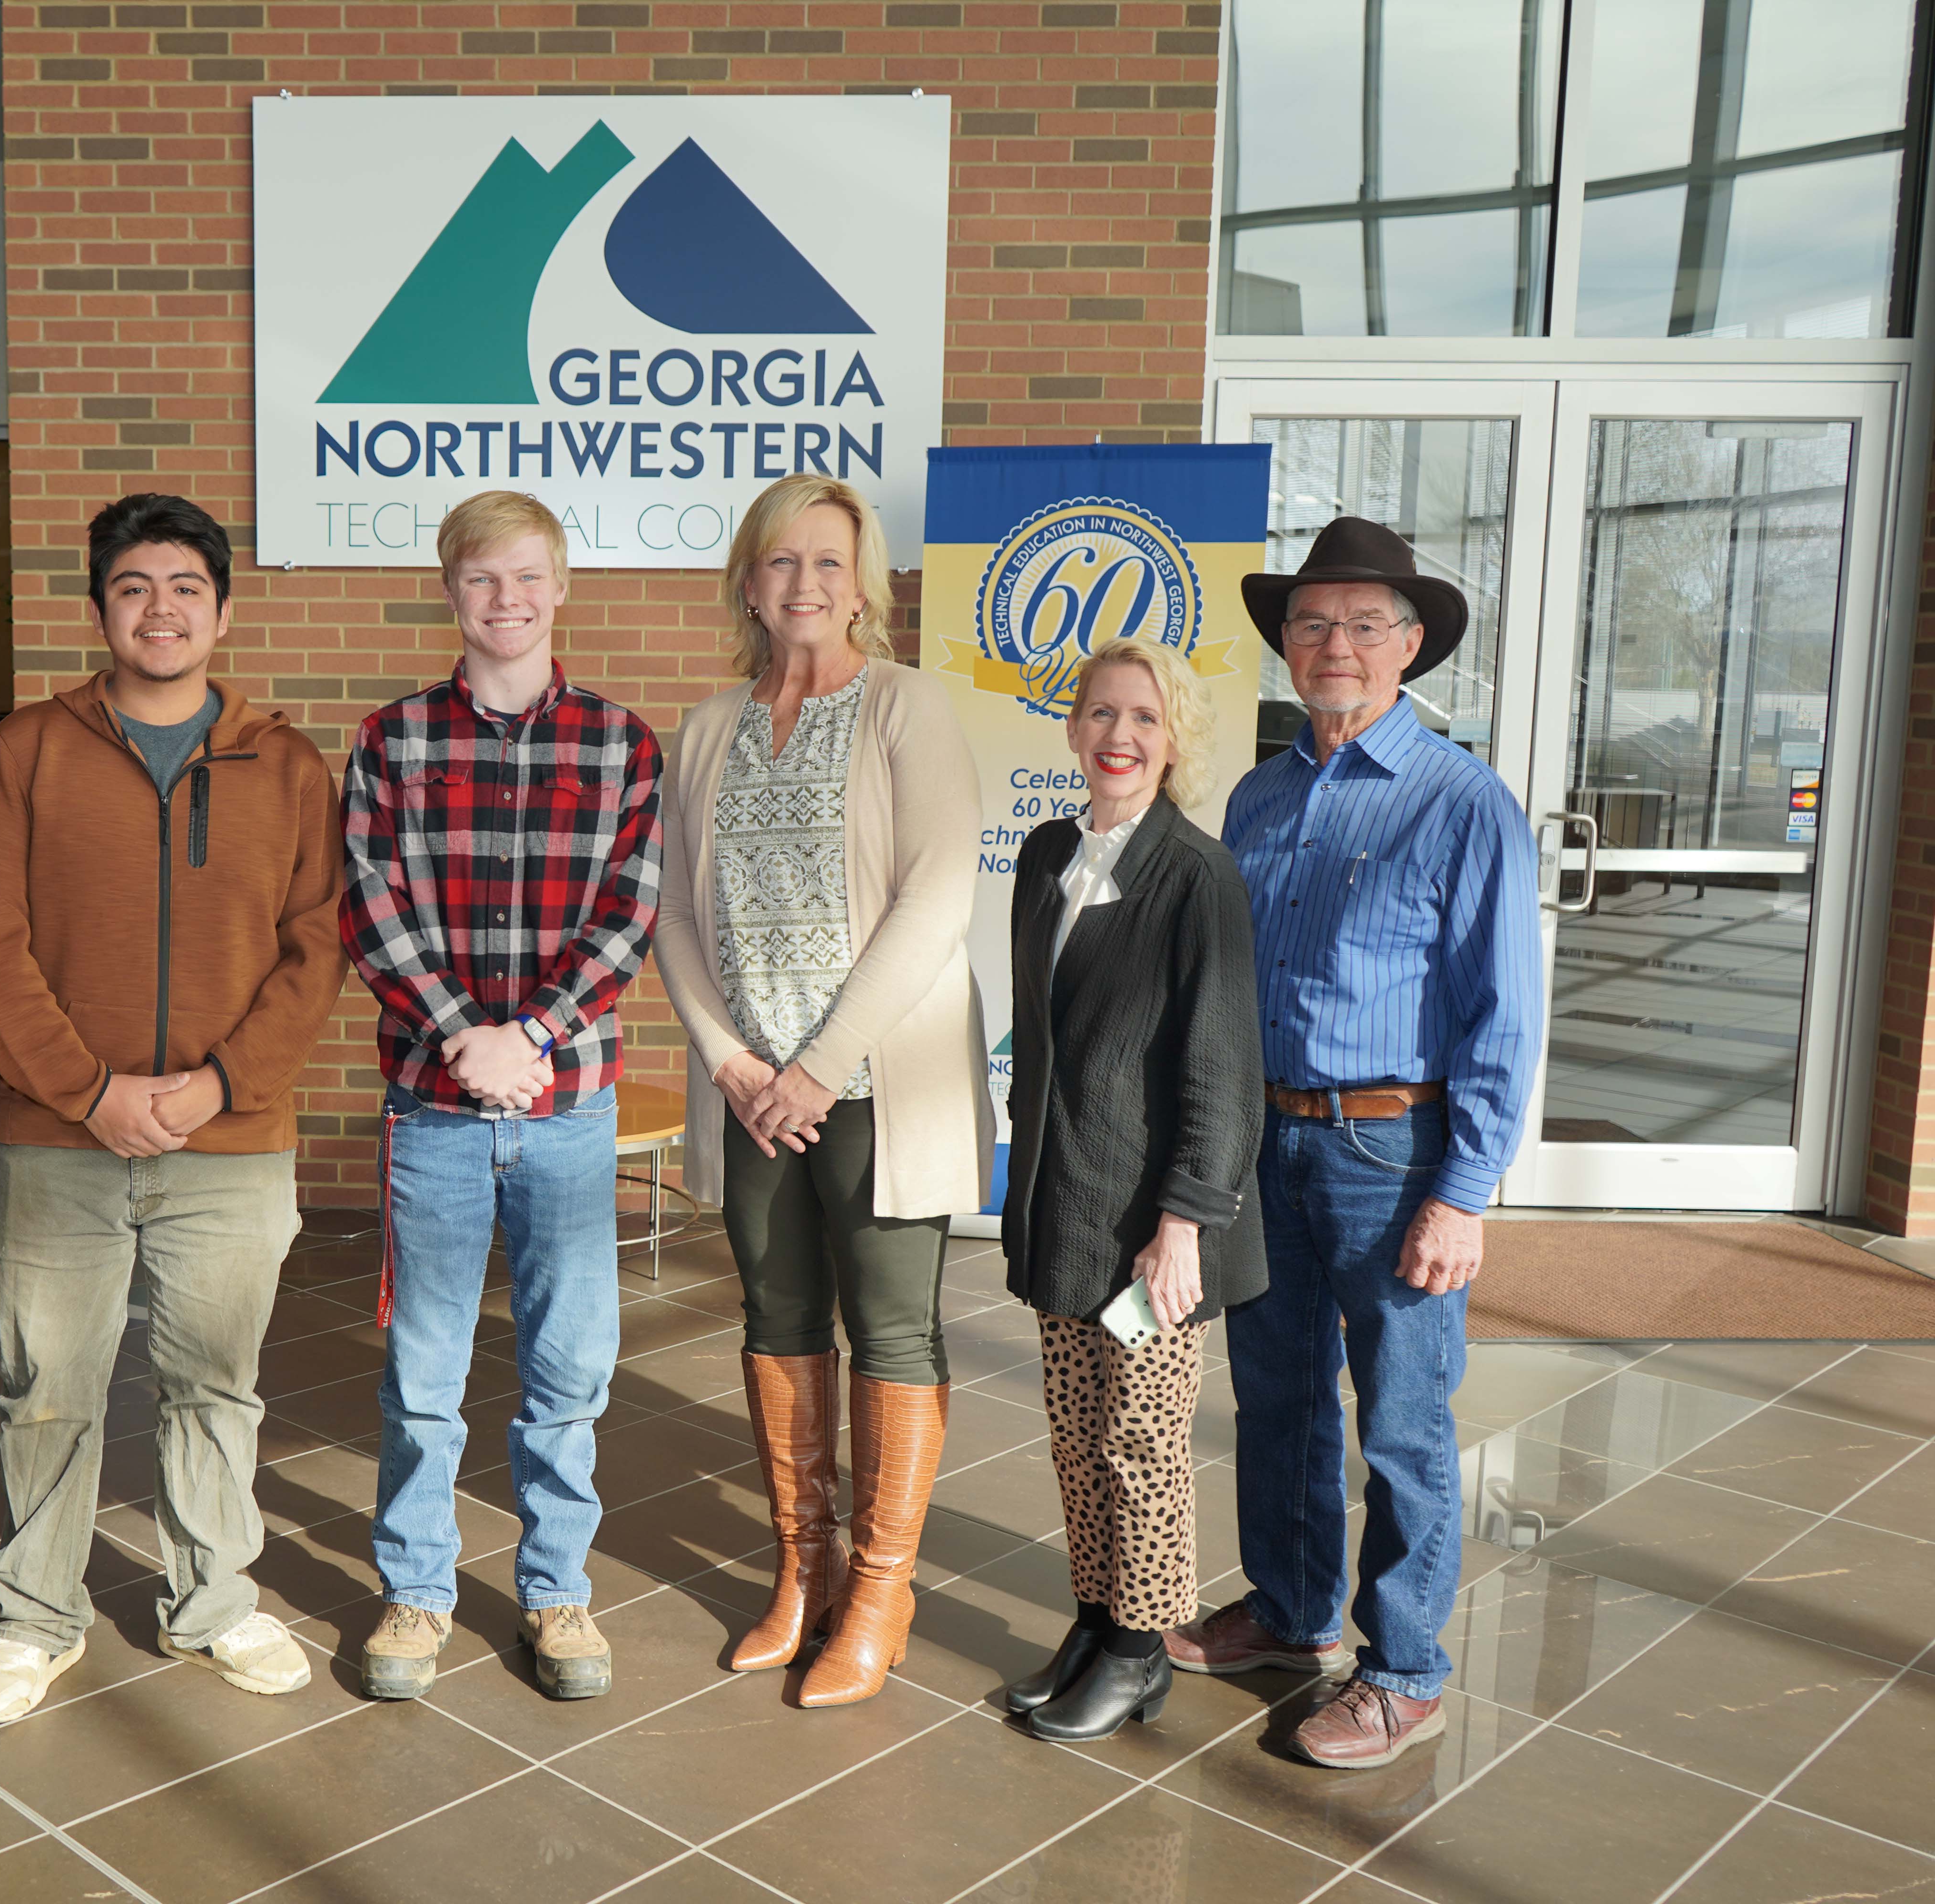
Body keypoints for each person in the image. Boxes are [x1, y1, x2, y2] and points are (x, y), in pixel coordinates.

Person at [0, 494, 347, 1719]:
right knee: (49, 1384)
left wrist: (222, 1084)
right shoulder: (26, 750)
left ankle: (213, 1599)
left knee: (216, 1383)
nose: (160, 608)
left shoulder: (286, 764)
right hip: (53, 1139)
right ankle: (35, 1611)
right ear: (100, 608)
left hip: (230, 1142)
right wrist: (87, 1089)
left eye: (184, 586)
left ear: (222, 610)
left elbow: (318, 943)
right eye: (134, 586)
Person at [1175, 516, 1540, 1768]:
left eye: (1366, 623)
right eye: (1313, 622)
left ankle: (1405, 1671)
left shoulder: (1463, 803)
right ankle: (1287, 1611)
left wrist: (1467, 1191)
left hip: (1393, 1157)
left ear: (1413, 645)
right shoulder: (1259, 794)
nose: (1336, 644)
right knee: (1273, 1397)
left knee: (1401, 1421)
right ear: (1285, 643)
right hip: (1264, 1147)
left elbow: (1504, 1014)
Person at [650, 473, 988, 1708]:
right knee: (777, 1316)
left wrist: (816, 1066)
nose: (805, 583)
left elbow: (937, 898)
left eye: (829, 563)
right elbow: (677, 915)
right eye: (781, 562)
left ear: (866, 584)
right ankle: (800, 1573)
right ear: (749, 580)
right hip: (753, 1097)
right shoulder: (705, 730)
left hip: (873, 1085)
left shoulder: (908, 710)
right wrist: (737, 1067)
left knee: (891, 1328)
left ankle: (881, 1594)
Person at [340, 489, 661, 1703]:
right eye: (482, 580)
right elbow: (369, 903)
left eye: (528, 578)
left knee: (568, 1367)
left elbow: (630, 913)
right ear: (450, 590)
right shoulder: (392, 739)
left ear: (561, 587)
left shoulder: (623, 742)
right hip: (433, 1105)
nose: (506, 600)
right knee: (424, 1366)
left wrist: (528, 1033)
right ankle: (417, 1591)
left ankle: (555, 1588)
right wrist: (464, 1036)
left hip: (570, 1105)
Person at [998, 635, 1265, 1742]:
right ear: (1072, 727)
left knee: (1143, 1441)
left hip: (1154, 1224)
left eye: (1145, 719)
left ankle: (1145, 1649)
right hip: (1070, 1203)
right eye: (1102, 712)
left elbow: (1219, 1067)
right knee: (1073, 1430)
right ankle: (1100, 1618)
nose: (1119, 735)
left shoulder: (1195, 875)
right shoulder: (1046, 851)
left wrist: (1184, 1224)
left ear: (1175, 741)